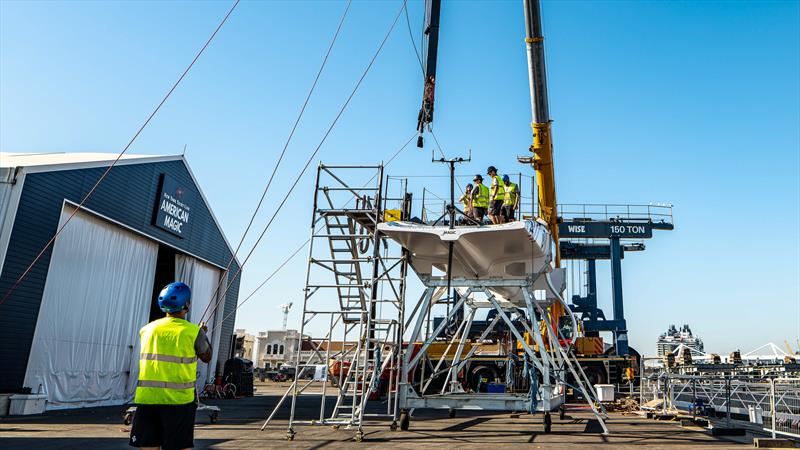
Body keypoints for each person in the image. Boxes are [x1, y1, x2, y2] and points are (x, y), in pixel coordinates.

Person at [130, 282, 212, 450]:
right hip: (179, 401)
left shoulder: (147, 329)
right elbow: (206, 356)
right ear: (186, 305)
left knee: (148, 445)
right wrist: (202, 333)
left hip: (148, 399)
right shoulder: (193, 332)